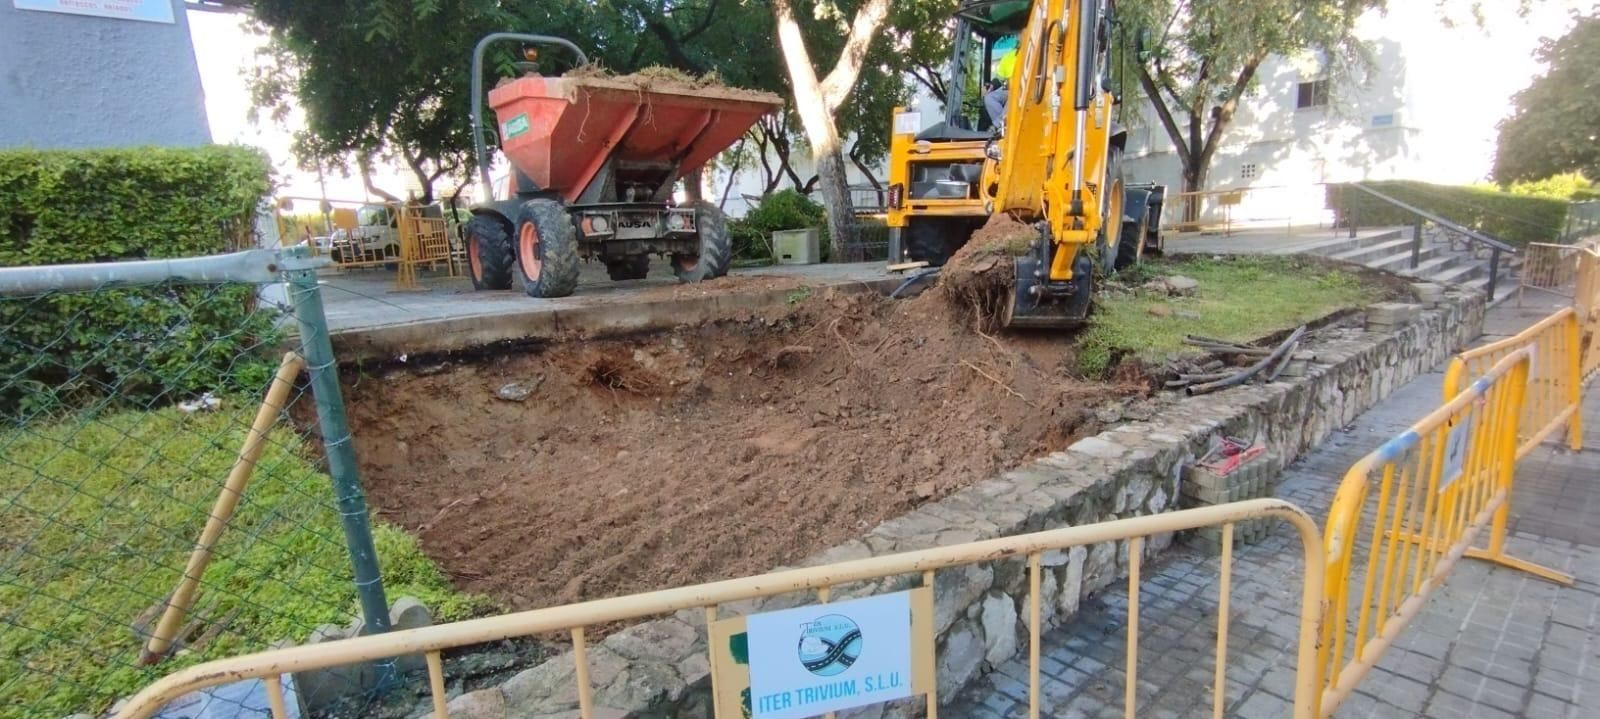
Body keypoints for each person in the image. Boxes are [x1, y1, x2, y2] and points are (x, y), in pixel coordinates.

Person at [984, 35, 1019, 129]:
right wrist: (991, 86)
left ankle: (998, 125)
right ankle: (1004, 125)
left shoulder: (1032, 56)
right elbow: (1000, 78)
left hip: (1024, 89)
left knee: (1014, 96)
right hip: (1008, 87)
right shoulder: (1008, 57)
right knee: (989, 98)